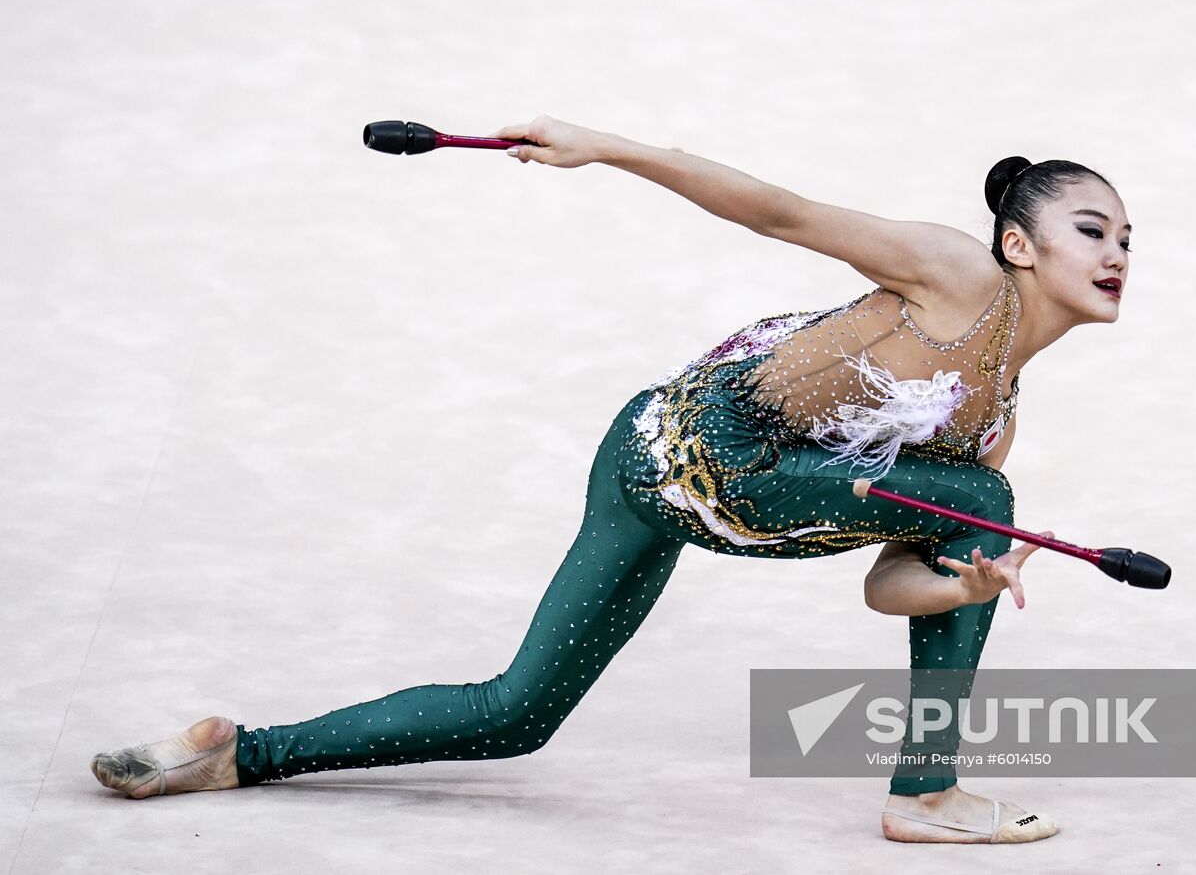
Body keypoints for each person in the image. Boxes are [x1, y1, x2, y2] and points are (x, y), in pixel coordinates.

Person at [91, 115, 1133, 845]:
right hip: (699, 452)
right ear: (1014, 241)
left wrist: (959, 585)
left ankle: (237, 753)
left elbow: (883, 587)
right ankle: (927, 789)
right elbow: (777, 212)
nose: (1117, 251)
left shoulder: (987, 424)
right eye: (1092, 229)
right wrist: (606, 147)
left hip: (676, 476)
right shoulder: (954, 274)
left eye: (1127, 238)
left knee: (513, 718)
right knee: (983, 507)